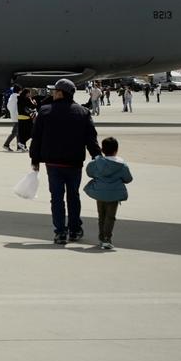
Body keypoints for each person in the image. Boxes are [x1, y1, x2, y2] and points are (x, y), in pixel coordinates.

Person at [29, 78, 100, 245]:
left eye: (54, 91)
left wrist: (35, 159)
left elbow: (36, 138)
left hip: (53, 163)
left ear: (60, 93)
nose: (52, 93)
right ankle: (74, 230)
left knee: (56, 198)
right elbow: (91, 138)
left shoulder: (45, 111)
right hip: (74, 162)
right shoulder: (83, 112)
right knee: (73, 196)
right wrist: (97, 156)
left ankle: (60, 232)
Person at [83, 136, 132, 250]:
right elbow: (128, 179)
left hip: (99, 193)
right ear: (116, 150)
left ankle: (101, 238)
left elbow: (89, 172)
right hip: (114, 195)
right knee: (110, 217)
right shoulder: (121, 165)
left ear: (102, 150)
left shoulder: (96, 163)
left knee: (101, 216)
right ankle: (107, 238)